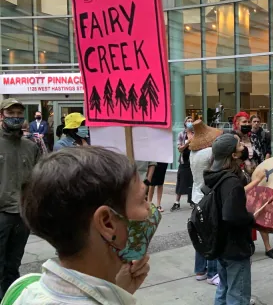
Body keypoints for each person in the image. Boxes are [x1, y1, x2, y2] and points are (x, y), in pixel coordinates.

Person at [15, 146, 158, 304]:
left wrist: (118, 292)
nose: (149, 208)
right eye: (143, 199)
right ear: (107, 223)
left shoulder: (24, 289)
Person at [204, 134, 265, 305]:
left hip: (221, 243)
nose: (242, 147)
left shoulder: (215, 175)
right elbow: (231, 215)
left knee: (224, 288)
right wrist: (251, 218)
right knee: (238, 294)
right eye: (239, 145)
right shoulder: (231, 181)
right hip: (235, 246)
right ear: (234, 155)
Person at [0, 99, 40, 301]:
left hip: (21, 216)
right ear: (1, 116)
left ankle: (9, 299)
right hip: (1, 214)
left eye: (19, 113)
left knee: (13, 266)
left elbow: (38, 179)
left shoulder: (31, 147)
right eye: (10, 113)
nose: (15, 117)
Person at [233, 112, 273, 260]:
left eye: (247, 121)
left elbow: (260, 156)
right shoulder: (234, 139)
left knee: (260, 210)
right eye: (243, 122)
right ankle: (243, 244)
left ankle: (268, 247)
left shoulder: (254, 137)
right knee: (242, 213)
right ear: (236, 123)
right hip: (240, 179)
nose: (246, 124)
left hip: (256, 178)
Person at [189, 121, 223, 286]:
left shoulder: (192, 153)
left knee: (200, 235)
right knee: (212, 235)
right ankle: (212, 272)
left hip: (196, 196)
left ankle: (200, 270)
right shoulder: (210, 152)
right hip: (208, 197)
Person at [172, 116, 195, 212]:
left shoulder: (196, 134)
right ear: (185, 123)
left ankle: (192, 201)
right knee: (181, 181)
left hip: (193, 161)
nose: (190, 122)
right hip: (184, 161)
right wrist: (187, 144)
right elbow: (180, 149)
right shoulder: (182, 134)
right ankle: (177, 202)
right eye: (188, 121)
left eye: (191, 121)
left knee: (192, 182)